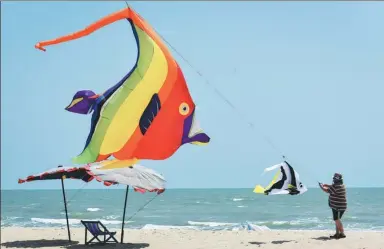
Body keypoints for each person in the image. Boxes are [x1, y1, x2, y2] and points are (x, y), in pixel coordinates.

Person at [319, 173, 347, 239]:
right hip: (341, 206)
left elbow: (327, 190)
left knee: (336, 219)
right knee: (337, 220)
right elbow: (332, 187)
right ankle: (337, 234)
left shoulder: (336, 186)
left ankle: (342, 233)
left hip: (337, 206)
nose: (333, 179)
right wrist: (327, 185)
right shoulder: (341, 185)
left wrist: (321, 187)